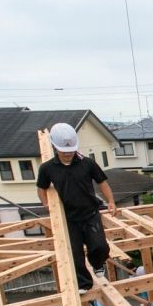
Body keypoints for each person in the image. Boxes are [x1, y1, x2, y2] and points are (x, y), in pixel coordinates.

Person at [36, 122, 116, 293]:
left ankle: (97, 263)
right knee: (75, 253)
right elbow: (41, 188)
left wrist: (111, 201)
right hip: (68, 218)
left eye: (71, 151)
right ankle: (84, 284)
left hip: (90, 213)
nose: (68, 154)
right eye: (64, 152)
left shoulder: (87, 163)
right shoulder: (48, 168)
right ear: (56, 148)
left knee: (100, 246)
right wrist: (46, 204)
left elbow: (102, 182)